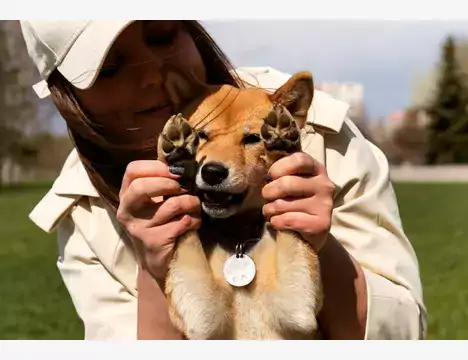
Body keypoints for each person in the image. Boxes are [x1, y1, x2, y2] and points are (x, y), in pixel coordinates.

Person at [22, 20, 427, 340]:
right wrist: (153, 270)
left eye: (162, 37)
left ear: (193, 31)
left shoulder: (320, 134)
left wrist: (319, 246)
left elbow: (404, 336)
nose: (151, 76)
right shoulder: (83, 212)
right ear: (65, 94)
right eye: (109, 69)